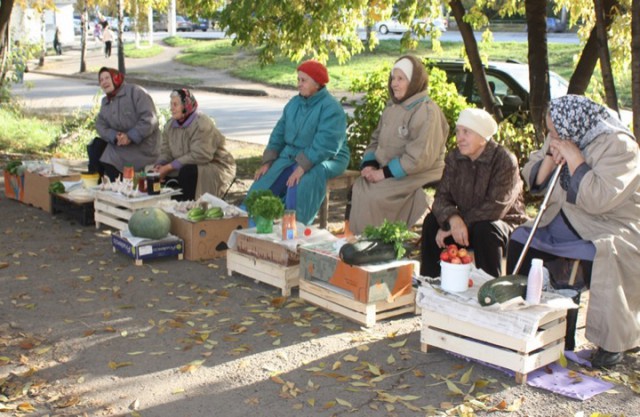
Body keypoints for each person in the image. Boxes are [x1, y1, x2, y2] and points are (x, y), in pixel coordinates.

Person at [506, 95, 640, 368]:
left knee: (598, 254)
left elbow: (599, 200)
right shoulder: (565, 129)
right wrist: (550, 161)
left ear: (574, 122)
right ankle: (523, 324)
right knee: (521, 238)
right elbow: (532, 175)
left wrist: (576, 159)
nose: (552, 137)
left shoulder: (621, 146)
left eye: (554, 133)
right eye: (550, 133)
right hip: (563, 216)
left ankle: (611, 341)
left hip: (609, 224)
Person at [421, 108, 527, 278]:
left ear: (483, 138)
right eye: (458, 131)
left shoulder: (504, 160)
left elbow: (495, 208)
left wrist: (459, 224)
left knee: (485, 229)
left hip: (503, 225)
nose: (459, 138)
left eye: (466, 132)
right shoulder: (455, 158)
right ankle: (430, 282)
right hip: (465, 224)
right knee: (432, 222)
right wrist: (453, 220)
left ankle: (489, 289)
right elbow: (441, 198)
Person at [349, 55, 449, 235]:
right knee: (360, 187)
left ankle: (379, 244)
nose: (394, 83)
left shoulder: (426, 111)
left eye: (400, 79)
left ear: (414, 82)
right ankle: (358, 242)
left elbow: (419, 158)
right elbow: (375, 139)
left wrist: (384, 173)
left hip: (419, 172)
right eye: (393, 78)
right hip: (390, 169)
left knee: (375, 196)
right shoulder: (393, 107)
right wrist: (370, 164)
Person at [244, 60, 350, 225]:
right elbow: (278, 133)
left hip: (327, 157)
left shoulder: (331, 108)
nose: (298, 85)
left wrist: (302, 167)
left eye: (303, 80)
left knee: (298, 185)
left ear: (317, 83)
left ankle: (293, 229)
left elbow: (327, 144)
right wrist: (268, 161)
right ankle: (252, 231)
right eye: (298, 80)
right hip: (292, 155)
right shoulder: (294, 103)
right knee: (262, 186)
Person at [154, 88, 236, 201]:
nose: (171, 108)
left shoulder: (202, 124)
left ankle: (188, 207)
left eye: (175, 104)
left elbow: (201, 155)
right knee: (153, 175)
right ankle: (173, 206)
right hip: (186, 164)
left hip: (214, 165)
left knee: (187, 173)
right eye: (171, 104)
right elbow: (166, 151)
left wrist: (169, 167)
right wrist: (161, 164)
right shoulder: (170, 126)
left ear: (185, 106)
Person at [88, 67, 160, 181]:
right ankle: (93, 188)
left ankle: (117, 187)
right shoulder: (106, 102)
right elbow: (100, 125)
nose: (104, 82)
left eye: (107, 77)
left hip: (141, 148)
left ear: (116, 78)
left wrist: (130, 136)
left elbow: (149, 119)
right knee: (95, 146)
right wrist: (114, 136)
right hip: (119, 148)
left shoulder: (135, 92)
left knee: (109, 161)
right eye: (101, 80)